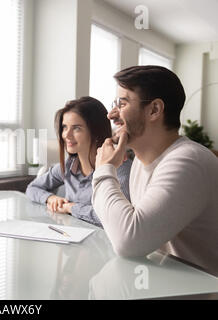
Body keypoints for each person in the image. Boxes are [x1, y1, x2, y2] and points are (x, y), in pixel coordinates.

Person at [92, 65, 218, 276]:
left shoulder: (188, 161)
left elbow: (129, 241)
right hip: (164, 283)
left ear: (154, 110)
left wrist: (104, 170)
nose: (111, 114)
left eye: (122, 103)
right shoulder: (140, 163)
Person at [26, 97, 132, 227]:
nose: (66, 135)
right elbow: (32, 188)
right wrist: (50, 198)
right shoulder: (67, 166)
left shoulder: (120, 169)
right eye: (65, 127)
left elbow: (115, 216)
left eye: (76, 128)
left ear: (95, 130)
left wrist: (71, 208)